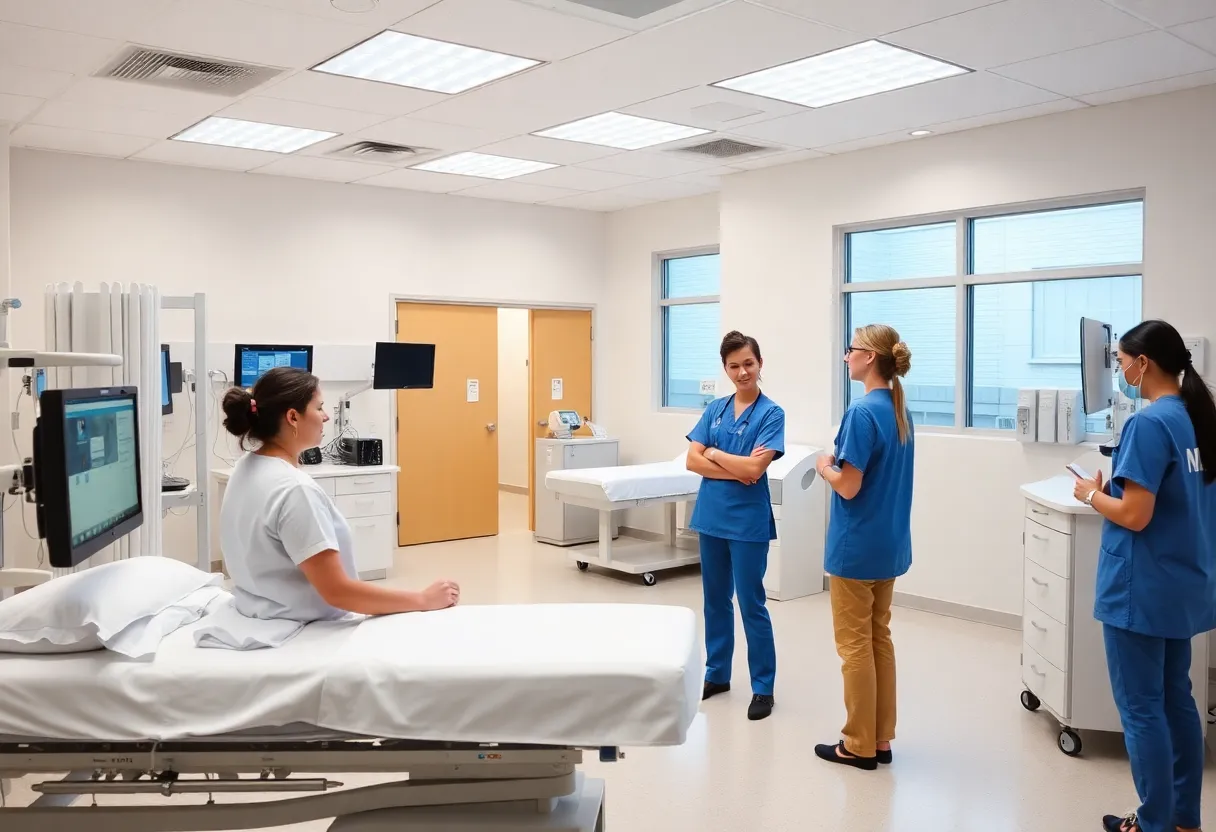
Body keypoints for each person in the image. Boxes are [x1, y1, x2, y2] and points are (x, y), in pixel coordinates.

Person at [1070, 320, 1216, 832]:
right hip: (1182, 585)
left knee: (1141, 709)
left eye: (1121, 361)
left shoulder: (1149, 425)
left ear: (1143, 363)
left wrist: (1090, 494)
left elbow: (1135, 515)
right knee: (1177, 699)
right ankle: (1182, 819)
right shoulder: (1198, 418)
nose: (1120, 369)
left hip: (1142, 590)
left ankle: (1152, 822)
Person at [220, 366, 460, 622]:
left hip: (259, 613)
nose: (325, 417)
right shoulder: (294, 490)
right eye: (319, 407)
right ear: (293, 417)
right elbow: (338, 592)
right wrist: (423, 600)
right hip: (304, 629)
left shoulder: (245, 468)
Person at [814, 324, 914, 771]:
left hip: (856, 549)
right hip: (888, 544)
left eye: (850, 350)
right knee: (878, 638)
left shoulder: (861, 413)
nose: (845, 357)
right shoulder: (899, 409)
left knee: (854, 646)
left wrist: (824, 468)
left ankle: (857, 744)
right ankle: (880, 738)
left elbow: (849, 487)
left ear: (870, 358)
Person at [685, 330, 785, 721]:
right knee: (714, 600)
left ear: (759, 364)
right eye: (734, 366)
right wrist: (732, 465)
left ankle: (763, 686)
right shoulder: (716, 409)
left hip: (747, 522)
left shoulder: (772, 414)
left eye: (748, 363)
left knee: (751, 603)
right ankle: (718, 674)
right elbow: (692, 461)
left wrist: (714, 454)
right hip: (711, 517)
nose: (742, 372)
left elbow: (756, 468)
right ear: (725, 369)